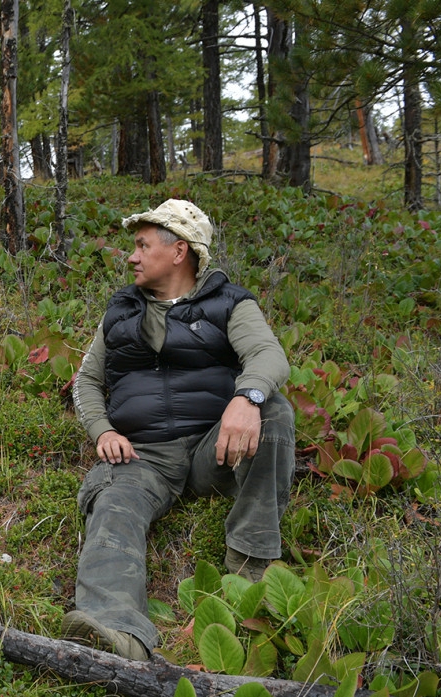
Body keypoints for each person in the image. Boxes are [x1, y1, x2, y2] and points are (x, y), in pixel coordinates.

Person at [65, 199, 294, 660]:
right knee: (113, 505)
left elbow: (269, 357)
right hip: (142, 454)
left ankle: (250, 564)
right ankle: (116, 630)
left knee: (275, 410)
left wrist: (245, 399)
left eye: (142, 245)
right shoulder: (120, 311)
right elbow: (87, 380)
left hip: (216, 448)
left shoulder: (230, 302)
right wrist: (102, 431)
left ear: (179, 252)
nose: (131, 256)